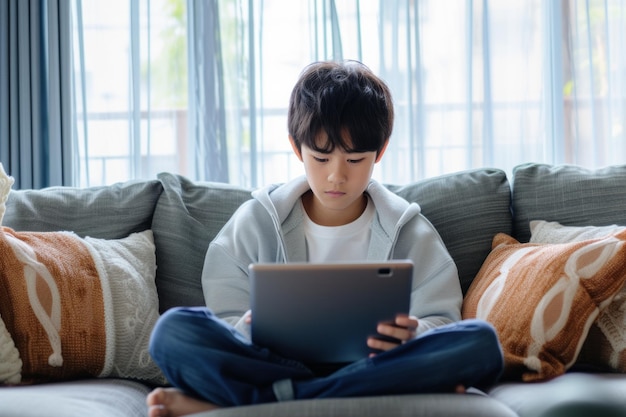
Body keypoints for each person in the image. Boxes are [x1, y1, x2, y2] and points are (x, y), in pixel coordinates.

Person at [146, 60, 503, 417]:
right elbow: (224, 319)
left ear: (379, 152)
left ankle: (265, 400)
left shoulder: (409, 229)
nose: (336, 176)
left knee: (481, 343)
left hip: (375, 365)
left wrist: (415, 333)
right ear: (296, 147)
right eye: (320, 157)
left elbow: (443, 320)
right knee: (173, 332)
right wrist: (248, 327)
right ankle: (331, 396)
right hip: (273, 366)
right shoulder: (256, 220)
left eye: (355, 159)